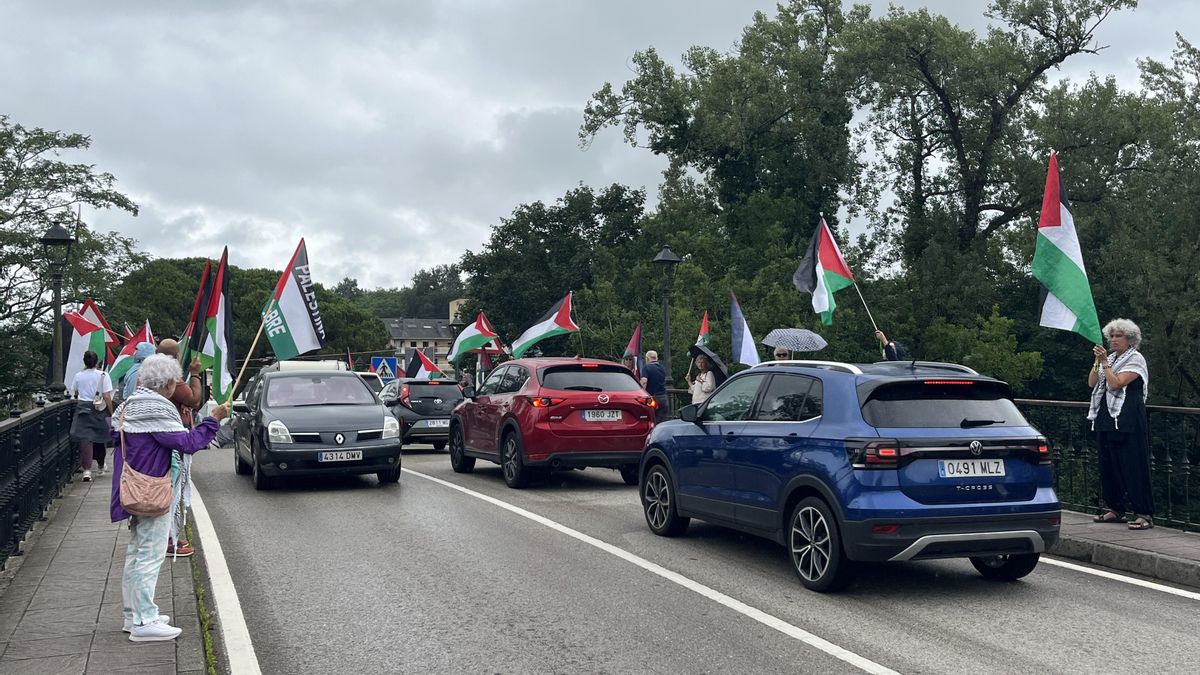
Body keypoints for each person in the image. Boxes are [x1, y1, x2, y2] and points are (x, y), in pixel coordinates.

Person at [111, 354, 229, 641]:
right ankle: (144, 621)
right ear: (166, 383)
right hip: (153, 488)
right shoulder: (155, 407)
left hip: (133, 485)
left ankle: (133, 614)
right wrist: (213, 421)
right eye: (174, 382)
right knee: (150, 555)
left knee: (137, 553)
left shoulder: (130, 405)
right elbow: (188, 442)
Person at [1087, 318, 1154, 531]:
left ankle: (1144, 513)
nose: (1114, 340)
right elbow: (1092, 382)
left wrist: (1105, 363)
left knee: (1133, 465)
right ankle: (1115, 508)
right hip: (1107, 417)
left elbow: (1116, 384)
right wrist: (1099, 361)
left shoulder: (1136, 359)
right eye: (1112, 336)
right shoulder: (1111, 358)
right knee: (1109, 465)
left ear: (1130, 339)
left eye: (1119, 336)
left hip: (1128, 419)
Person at [155, 339, 203, 558]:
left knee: (164, 489)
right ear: (175, 356)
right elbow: (194, 399)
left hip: (155, 440)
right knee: (173, 490)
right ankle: (170, 539)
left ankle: (165, 536)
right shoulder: (167, 375)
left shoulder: (149, 372)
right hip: (173, 439)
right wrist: (194, 374)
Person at [69, 350, 113, 481]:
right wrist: (111, 411)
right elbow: (106, 396)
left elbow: (76, 391)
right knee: (100, 437)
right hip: (98, 408)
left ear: (85, 362)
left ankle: (87, 470)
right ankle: (100, 465)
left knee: (85, 439)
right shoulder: (103, 375)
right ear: (97, 362)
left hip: (83, 408)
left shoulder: (78, 375)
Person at [642, 351, 668, 420]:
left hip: (652, 398)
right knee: (662, 420)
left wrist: (642, 394)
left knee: (651, 420)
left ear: (647, 358)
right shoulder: (662, 368)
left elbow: (644, 382)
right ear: (656, 358)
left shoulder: (646, 368)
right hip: (663, 397)